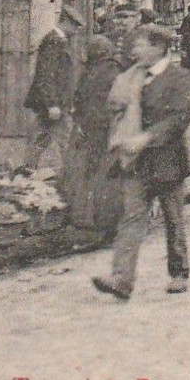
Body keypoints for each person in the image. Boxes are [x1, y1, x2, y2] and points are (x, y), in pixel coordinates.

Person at [93, 25, 190, 300]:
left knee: (173, 218)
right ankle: (121, 279)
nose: (134, 50)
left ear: (157, 48)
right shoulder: (132, 76)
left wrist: (147, 137)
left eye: (140, 45)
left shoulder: (178, 77)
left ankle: (178, 273)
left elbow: (179, 118)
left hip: (168, 161)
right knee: (131, 218)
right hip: (136, 162)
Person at [70, 34, 124, 237]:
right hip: (104, 127)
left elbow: (81, 98)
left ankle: (95, 218)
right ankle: (102, 218)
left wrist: (81, 122)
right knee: (105, 172)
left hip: (96, 127)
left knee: (95, 171)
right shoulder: (113, 70)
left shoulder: (91, 71)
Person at [24, 6, 82, 170]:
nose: (76, 30)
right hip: (55, 105)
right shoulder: (54, 42)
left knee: (42, 137)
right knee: (66, 140)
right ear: (65, 22)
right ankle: (71, 177)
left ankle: (27, 170)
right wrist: (52, 104)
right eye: (75, 26)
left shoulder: (59, 41)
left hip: (57, 103)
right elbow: (46, 75)